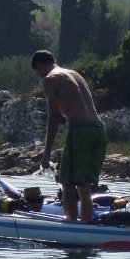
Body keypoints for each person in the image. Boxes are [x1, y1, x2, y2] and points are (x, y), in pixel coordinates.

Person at [31, 50, 106, 222]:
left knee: (68, 183)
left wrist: (46, 152)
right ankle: (86, 223)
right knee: (84, 184)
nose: (39, 76)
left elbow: (53, 116)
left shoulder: (50, 79)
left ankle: (72, 225)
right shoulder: (74, 74)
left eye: (37, 72)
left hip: (80, 130)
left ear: (41, 65)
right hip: (98, 129)